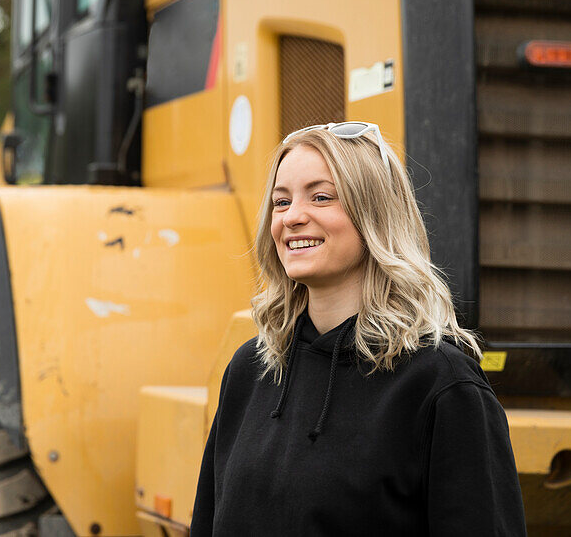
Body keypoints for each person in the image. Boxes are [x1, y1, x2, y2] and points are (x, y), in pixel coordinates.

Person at [190, 122, 526, 536]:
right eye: (281, 202)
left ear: (375, 214)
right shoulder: (250, 370)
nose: (293, 217)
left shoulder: (441, 384)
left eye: (321, 197)